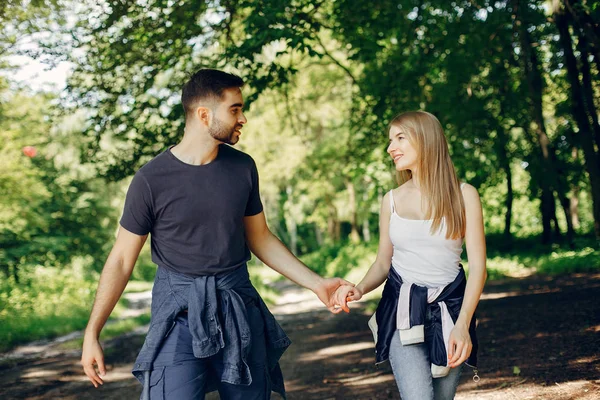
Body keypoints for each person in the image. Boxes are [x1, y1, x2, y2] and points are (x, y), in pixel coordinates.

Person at [81, 68, 352, 400]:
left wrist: (317, 283)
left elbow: (261, 238)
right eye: (235, 109)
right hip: (177, 317)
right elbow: (122, 259)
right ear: (204, 114)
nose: (243, 118)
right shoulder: (151, 179)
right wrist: (92, 332)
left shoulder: (242, 168)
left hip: (239, 309)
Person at [334, 111, 487, 400]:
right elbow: (383, 262)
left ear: (427, 140)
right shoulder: (390, 200)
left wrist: (463, 325)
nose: (391, 148)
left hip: (451, 313)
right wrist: (360, 288)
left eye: (400, 138)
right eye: (390, 140)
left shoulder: (465, 195)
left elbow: (478, 267)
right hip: (401, 312)